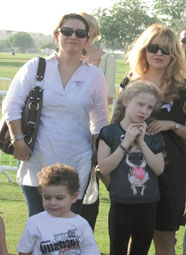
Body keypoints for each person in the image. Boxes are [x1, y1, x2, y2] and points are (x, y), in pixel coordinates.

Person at [121, 23, 186, 255]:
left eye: (166, 49)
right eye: (153, 47)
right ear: (144, 50)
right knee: (136, 238)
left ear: (175, 54)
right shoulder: (129, 83)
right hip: (134, 169)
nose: (159, 54)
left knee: (165, 238)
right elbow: (114, 127)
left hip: (172, 169)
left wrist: (171, 124)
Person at [3, 13, 108, 217]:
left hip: (77, 162)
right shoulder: (36, 67)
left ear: (87, 39)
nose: (73, 37)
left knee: (68, 226)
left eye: (80, 33)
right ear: (56, 35)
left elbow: (100, 122)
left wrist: (99, 155)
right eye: (67, 31)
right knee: (38, 222)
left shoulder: (95, 76)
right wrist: (18, 141)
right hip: (36, 159)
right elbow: (11, 105)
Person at [97, 81, 165, 255]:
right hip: (121, 205)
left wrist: (142, 141)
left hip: (147, 205)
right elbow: (103, 167)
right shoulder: (109, 133)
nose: (144, 111)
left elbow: (158, 168)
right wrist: (126, 143)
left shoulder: (155, 137)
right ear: (126, 101)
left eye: (149, 107)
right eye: (140, 104)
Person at [78, 11, 117, 230]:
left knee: (89, 185)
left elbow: (107, 97)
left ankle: (85, 234)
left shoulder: (106, 59)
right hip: (63, 133)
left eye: (85, 29)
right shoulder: (64, 55)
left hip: (93, 131)